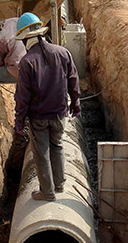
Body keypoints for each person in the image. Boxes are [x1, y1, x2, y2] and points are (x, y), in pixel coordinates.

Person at [14, 12, 81, 201]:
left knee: (41, 153)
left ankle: (47, 192)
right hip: (60, 113)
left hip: (39, 117)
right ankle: (59, 183)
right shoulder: (62, 52)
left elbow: (22, 97)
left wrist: (19, 120)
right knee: (57, 145)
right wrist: (75, 104)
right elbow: (73, 81)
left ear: (25, 39)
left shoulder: (27, 62)